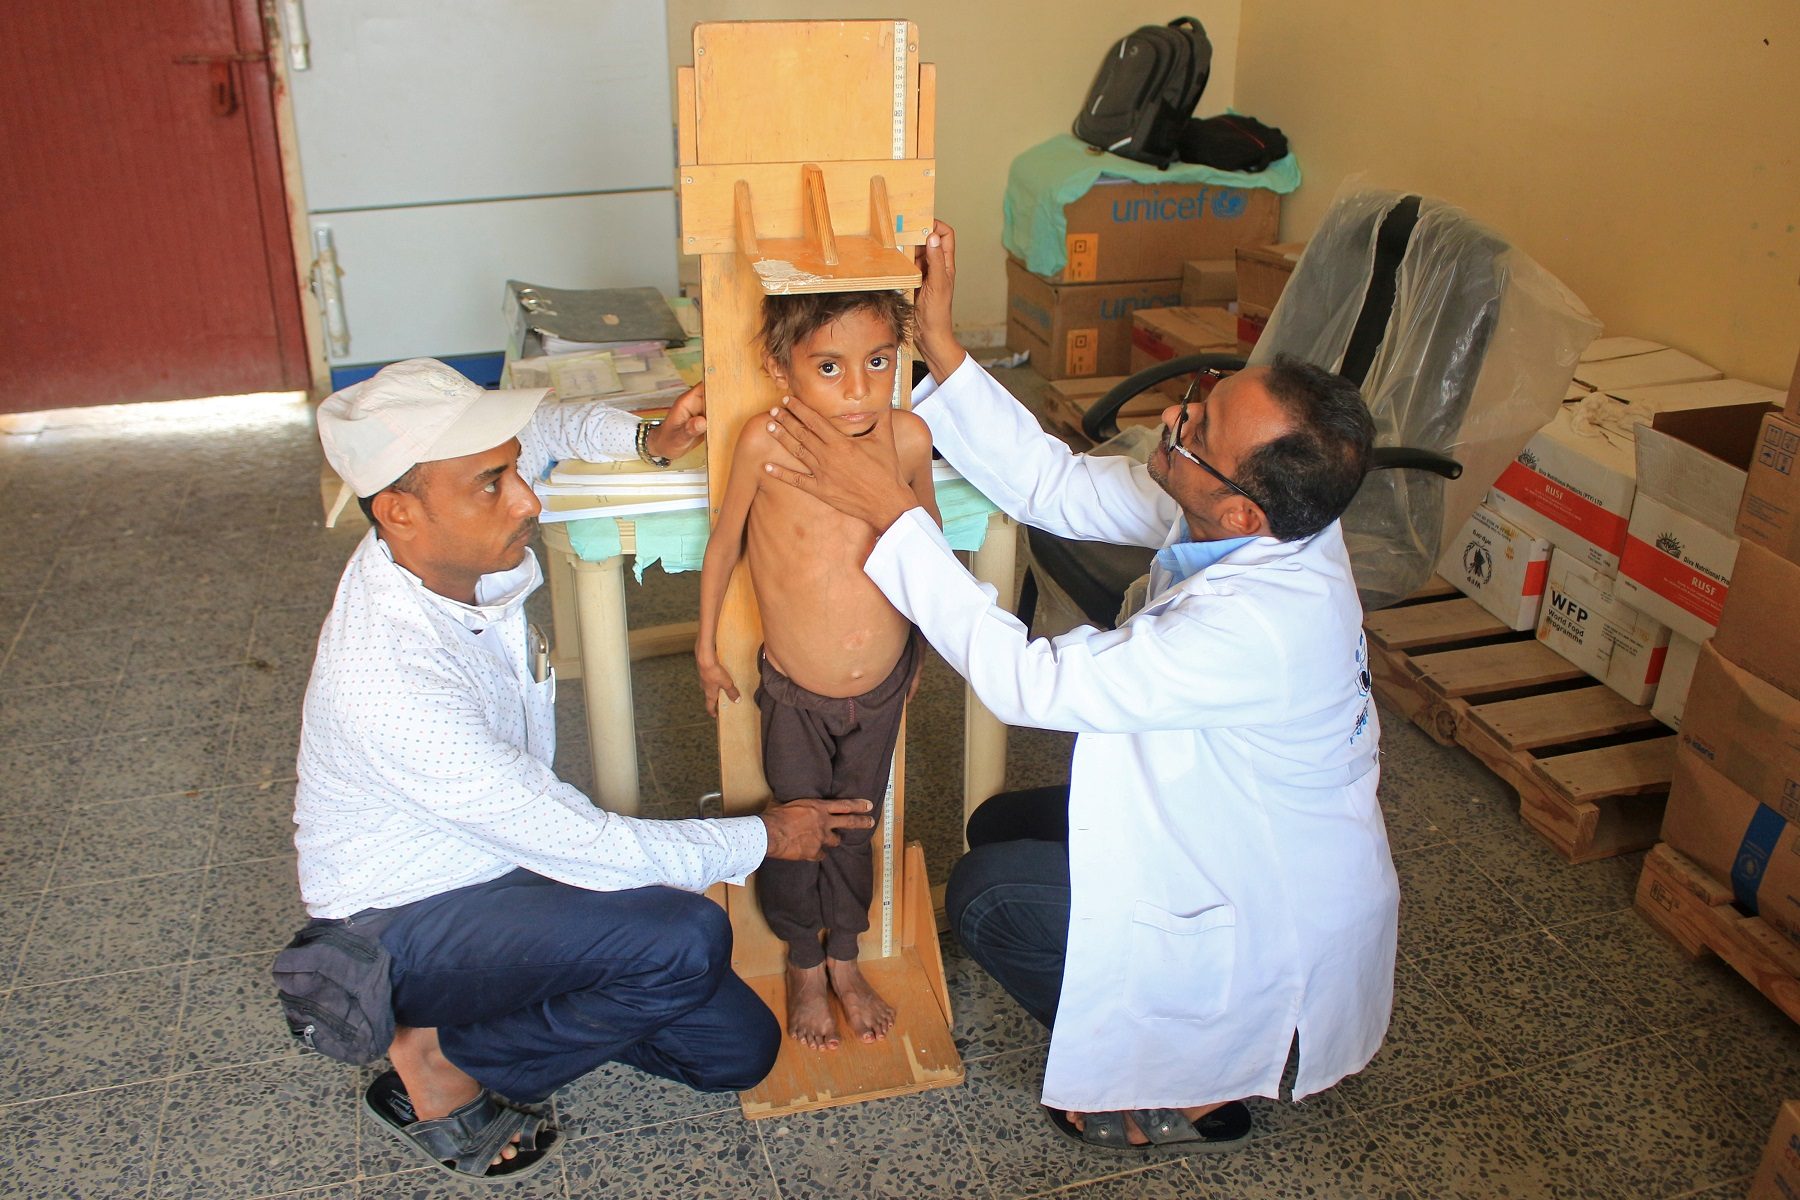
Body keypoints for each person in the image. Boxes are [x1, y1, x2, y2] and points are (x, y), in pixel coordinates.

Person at [759, 222, 1398, 1154]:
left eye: (1197, 431)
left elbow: (1030, 684)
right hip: (1227, 823)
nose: (1172, 418)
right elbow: (1053, 486)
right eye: (1200, 398)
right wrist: (937, 338)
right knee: (997, 825)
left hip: (1268, 922)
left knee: (984, 896)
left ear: (1238, 509)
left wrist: (893, 513)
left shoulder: (1260, 627)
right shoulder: (1259, 513)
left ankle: (1186, 1080)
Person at [294, 358, 874, 1183]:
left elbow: (546, 430)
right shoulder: (390, 679)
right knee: (685, 938)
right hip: (405, 915)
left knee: (737, 1052)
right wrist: (765, 836)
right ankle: (438, 1056)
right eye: (492, 485)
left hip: (503, 859)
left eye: (513, 472)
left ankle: (491, 1015)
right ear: (400, 513)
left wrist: (649, 439)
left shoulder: (436, 540)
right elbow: (585, 843)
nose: (527, 499)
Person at [694, 292, 940, 1051]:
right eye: (829, 367)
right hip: (796, 693)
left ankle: (846, 958)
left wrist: (922, 648)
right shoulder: (763, 443)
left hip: (884, 688)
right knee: (798, 827)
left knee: (858, 827)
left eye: (878, 362)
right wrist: (704, 647)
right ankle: (803, 961)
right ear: (782, 369)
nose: (859, 390)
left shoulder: (907, 438)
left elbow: (928, 550)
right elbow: (724, 544)